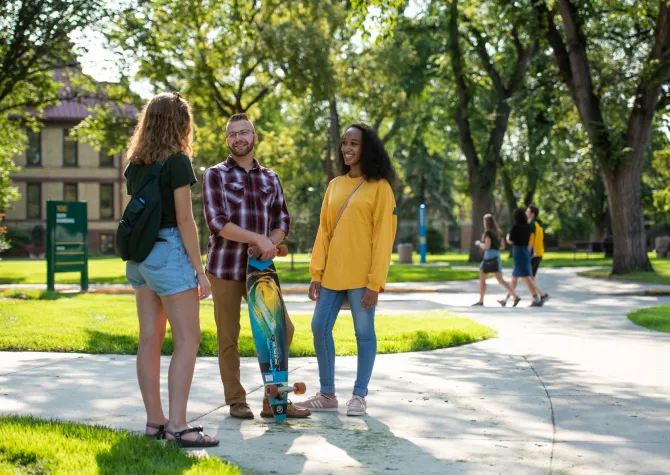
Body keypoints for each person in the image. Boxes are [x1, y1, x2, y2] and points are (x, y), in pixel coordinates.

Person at [124, 92, 218, 447]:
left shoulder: (135, 164)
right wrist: (200, 269)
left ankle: (155, 422)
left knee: (149, 339)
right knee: (188, 339)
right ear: (180, 123)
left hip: (139, 258)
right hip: (168, 252)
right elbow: (184, 220)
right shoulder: (177, 162)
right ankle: (179, 425)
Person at [202, 113, 310, 420]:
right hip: (224, 268)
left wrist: (270, 241)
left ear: (254, 138)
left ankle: (273, 400)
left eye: (244, 133)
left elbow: (283, 221)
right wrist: (259, 238)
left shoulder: (271, 178)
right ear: (227, 141)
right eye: (233, 134)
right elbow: (217, 222)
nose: (239, 138)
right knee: (228, 338)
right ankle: (236, 400)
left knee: (282, 330)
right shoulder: (215, 175)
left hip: (260, 271)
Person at [295, 123, 397, 417]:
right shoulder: (334, 185)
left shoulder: (380, 188)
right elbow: (324, 231)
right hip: (331, 275)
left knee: (364, 333)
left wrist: (375, 282)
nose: (347, 149)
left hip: (362, 276)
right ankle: (327, 393)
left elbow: (383, 239)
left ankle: (359, 395)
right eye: (345, 143)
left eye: (354, 143)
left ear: (367, 149)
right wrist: (316, 273)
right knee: (318, 327)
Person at [500, 205, 549, 306]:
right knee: (515, 277)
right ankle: (508, 299)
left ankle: (536, 298)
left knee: (525, 277)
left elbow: (510, 240)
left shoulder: (517, 227)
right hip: (525, 252)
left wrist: (507, 236)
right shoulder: (529, 226)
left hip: (519, 252)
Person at [471, 214, 520, 307]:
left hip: (489, 256)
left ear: (486, 222)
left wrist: (479, 244)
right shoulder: (499, 232)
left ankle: (481, 300)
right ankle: (515, 296)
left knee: (482, 278)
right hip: (497, 256)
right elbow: (502, 247)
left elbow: (487, 246)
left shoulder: (488, 233)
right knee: (500, 279)